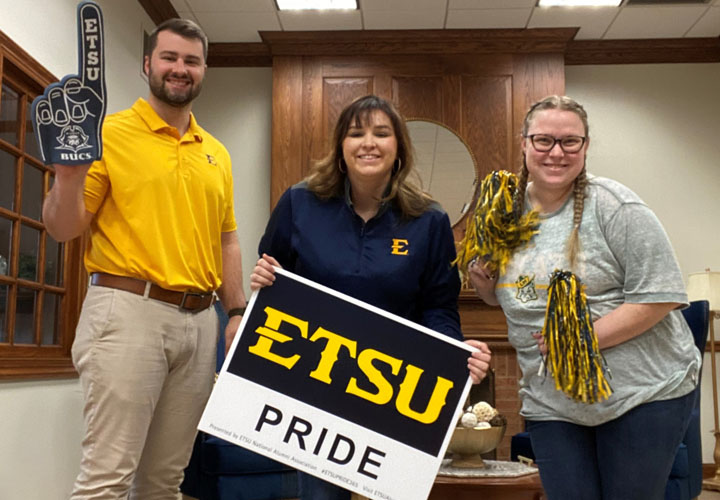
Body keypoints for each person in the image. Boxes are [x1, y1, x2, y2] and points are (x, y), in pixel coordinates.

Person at [41, 19, 247, 499]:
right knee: (106, 480)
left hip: (200, 324)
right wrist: (68, 177)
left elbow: (228, 239)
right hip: (127, 313)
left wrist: (235, 311)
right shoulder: (107, 135)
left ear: (204, 70)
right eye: (170, 58)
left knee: (164, 482)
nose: (180, 69)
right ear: (147, 64)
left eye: (191, 61)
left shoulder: (216, 152)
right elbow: (62, 228)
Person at [250, 94, 492, 500]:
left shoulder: (429, 220)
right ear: (340, 147)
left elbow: (439, 305)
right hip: (313, 382)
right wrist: (262, 281)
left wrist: (454, 352)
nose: (369, 143)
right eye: (356, 133)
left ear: (399, 148)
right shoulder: (299, 203)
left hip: (393, 387)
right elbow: (275, 278)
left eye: (382, 133)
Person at [468, 95, 701, 500]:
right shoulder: (504, 209)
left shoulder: (616, 206)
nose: (556, 152)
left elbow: (659, 296)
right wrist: (485, 285)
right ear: (524, 144)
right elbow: (510, 298)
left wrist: (575, 341)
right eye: (543, 141)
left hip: (641, 394)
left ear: (585, 147)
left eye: (569, 142)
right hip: (551, 401)